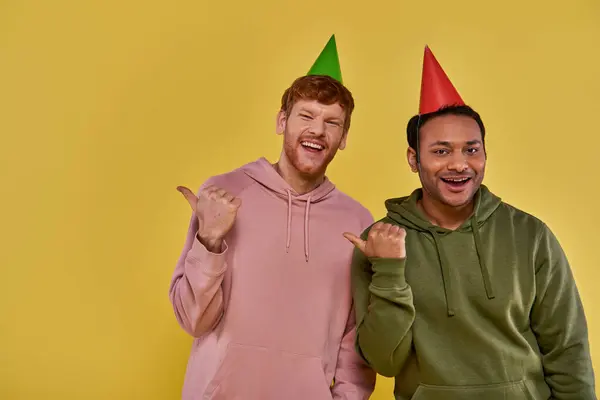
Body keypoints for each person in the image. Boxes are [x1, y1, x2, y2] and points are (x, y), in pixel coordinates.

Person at [345, 46, 596, 399]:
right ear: (413, 159)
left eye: (472, 149)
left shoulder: (530, 235)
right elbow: (384, 361)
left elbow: (567, 349)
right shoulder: (380, 241)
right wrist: (389, 272)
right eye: (441, 151)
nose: (460, 164)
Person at [169, 35, 376, 400]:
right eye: (307, 116)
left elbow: (354, 333)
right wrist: (210, 242)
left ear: (343, 137)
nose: (317, 130)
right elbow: (192, 320)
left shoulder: (357, 219)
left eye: (333, 123)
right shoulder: (225, 192)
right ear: (282, 121)